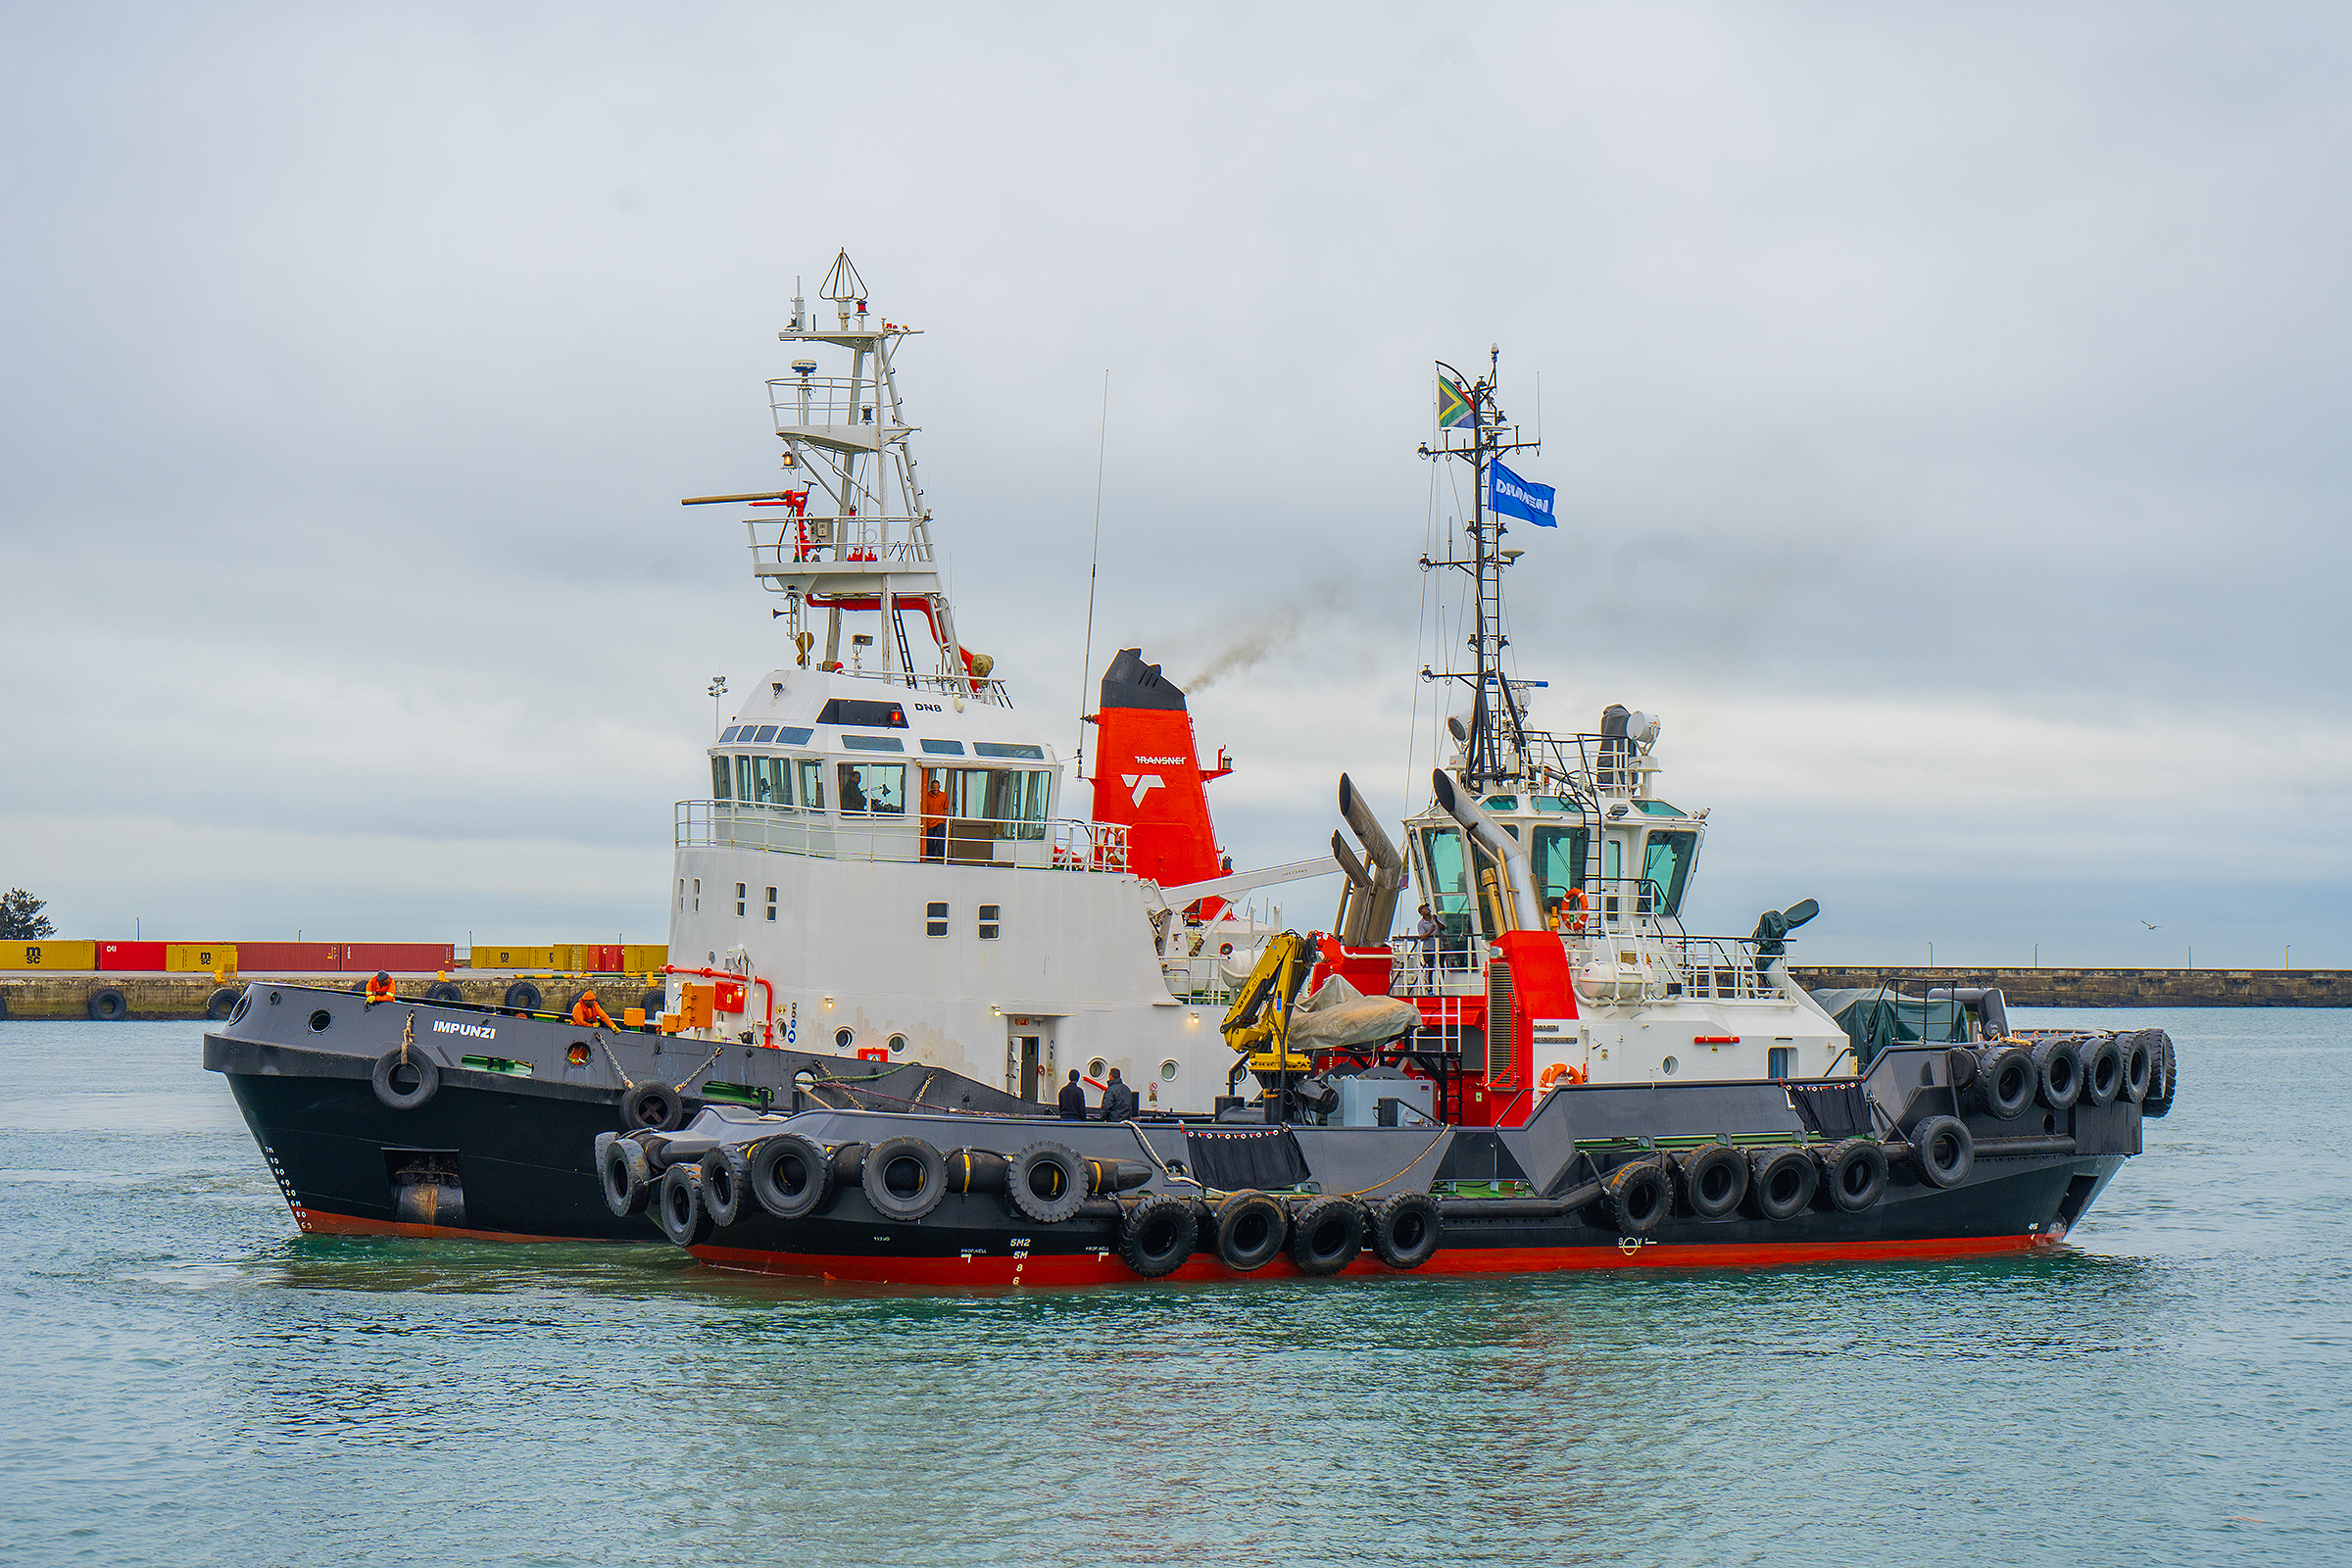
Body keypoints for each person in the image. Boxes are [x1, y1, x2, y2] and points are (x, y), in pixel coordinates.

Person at [921, 769, 951, 861]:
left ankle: (940, 855)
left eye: (937, 787)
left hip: (940, 820)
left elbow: (946, 808)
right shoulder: (926, 795)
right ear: (931, 787)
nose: (935, 789)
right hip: (929, 820)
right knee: (930, 839)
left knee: (940, 837)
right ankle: (931, 856)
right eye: (934, 787)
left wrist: (945, 820)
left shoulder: (944, 795)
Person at [1414, 904, 1444, 980]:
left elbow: (1442, 928)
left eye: (1427, 907)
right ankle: (1430, 987)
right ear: (1421, 913)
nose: (1427, 908)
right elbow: (1422, 937)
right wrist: (1430, 931)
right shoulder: (1421, 924)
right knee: (1430, 968)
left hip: (1439, 947)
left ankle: (1440, 986)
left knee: (1441, 967)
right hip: (1428, 948)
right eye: (1424, 908)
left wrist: (1436, 920)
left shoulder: (1436, 918)